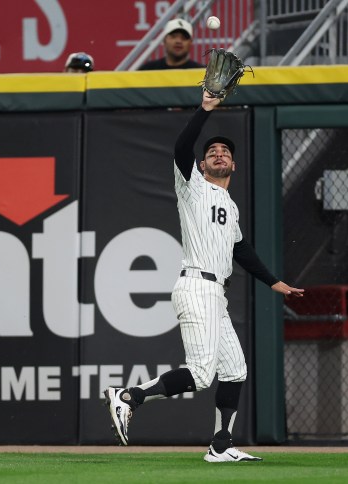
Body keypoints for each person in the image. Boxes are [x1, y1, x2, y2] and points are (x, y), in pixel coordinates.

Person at [104, 90, 305, 462]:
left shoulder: (230, 205)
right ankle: (128, 396)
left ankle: (221, 446)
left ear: (234, 167)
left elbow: (241, 250)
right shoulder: (192, 185)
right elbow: (182, 147)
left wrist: (275, 283)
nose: (219, 153)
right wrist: (205, 109)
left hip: (216, 294)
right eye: (212, 150)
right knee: (199, 374)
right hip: (197, 285)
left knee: (235, 369)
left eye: (225, 152)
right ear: (201, 163)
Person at [138, 18, 204, 70]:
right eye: (173, 36)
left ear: (190, 42)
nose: (178, 41)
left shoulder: (201, 73)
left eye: (184, 38)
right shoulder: (148, 70)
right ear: (164, 40)